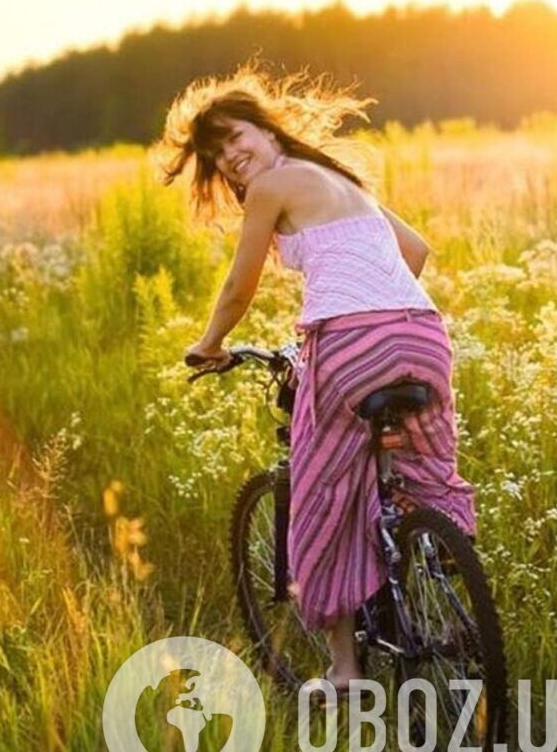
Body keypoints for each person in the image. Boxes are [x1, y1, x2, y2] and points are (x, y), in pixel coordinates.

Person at [158, 68, 476, 695]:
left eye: (234, 137)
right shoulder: (343, 182)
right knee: (423, 469)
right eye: (218, 153)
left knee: (321, 492)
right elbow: (415, 251)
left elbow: (238, 285)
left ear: (264, 126)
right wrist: (375, 301)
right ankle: (436, 566)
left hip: (350, 345)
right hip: (422, 334)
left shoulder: (272, 186)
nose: (230, 156)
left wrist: (209, 343)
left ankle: (346, 671)